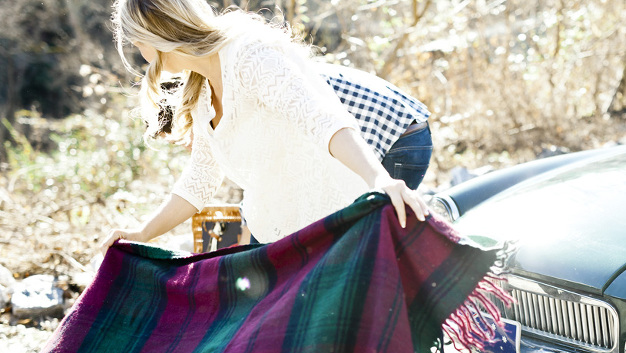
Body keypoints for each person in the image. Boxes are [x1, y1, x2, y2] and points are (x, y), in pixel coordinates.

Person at [101, 0, 429, 253]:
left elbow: (321, 118)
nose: (140, 53)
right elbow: (200, 178)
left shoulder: (248, 57)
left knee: (376, 258)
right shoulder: (201, 91)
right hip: (289, 200)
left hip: (398, 136)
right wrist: (142, 233)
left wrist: (381, 180)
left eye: (136, 41)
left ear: (154, 36)